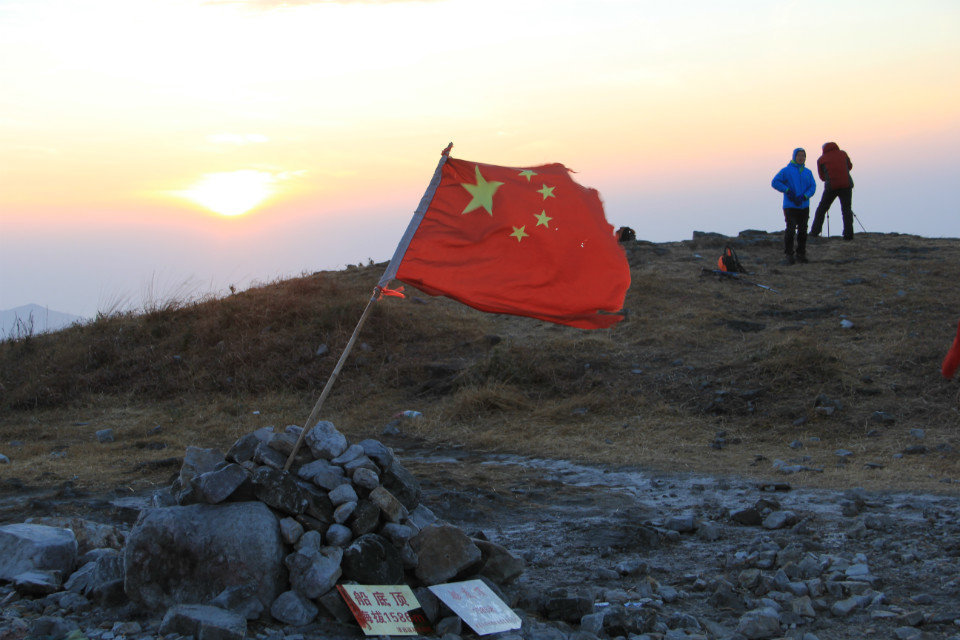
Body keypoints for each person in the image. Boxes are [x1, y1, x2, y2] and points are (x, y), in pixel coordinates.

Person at [771, 148, 816, 264]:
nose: (801, 158)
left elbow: (813, 187)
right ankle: (789, 254)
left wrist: (805, 196)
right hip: (790, 206)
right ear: (794, 157)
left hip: (804, 206)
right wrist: (787, 191)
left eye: (803, 156)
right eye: (799, 155)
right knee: (790, 230)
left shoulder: (808, 172)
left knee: (802, 230)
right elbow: (775, 182)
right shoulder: (786, 171)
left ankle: (801, 254)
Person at [810, 142, 854, 240]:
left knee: (822, 208)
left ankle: (815, 231)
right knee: (846, 209)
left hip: (831, 187)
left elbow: (822, 177)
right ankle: (849, 234)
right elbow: (850, 166)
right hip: (846, 185)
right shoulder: (843, 154)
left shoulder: (821, 160)